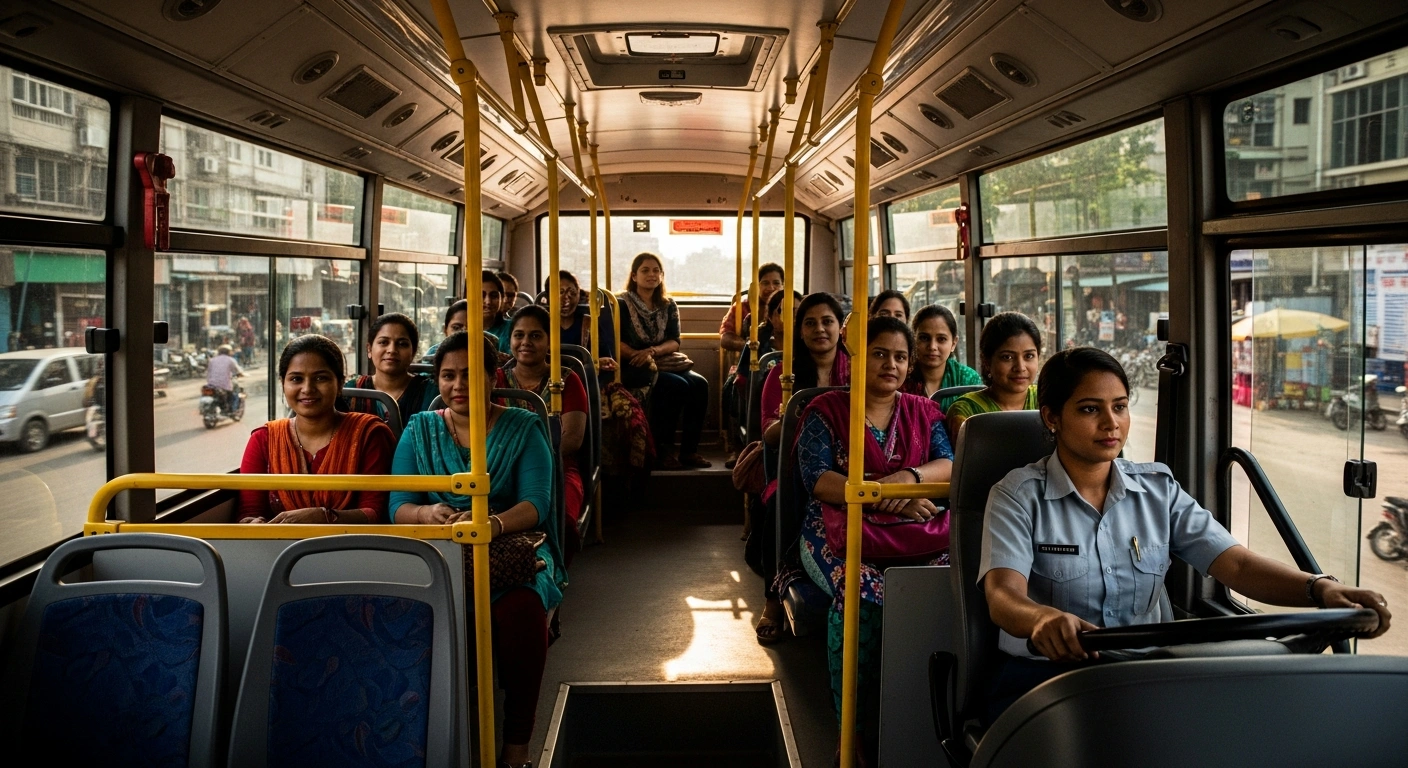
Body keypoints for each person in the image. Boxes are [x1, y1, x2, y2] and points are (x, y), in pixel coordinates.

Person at [979, 347, 1392, 722]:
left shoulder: (1157, 490)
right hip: (1044, 680)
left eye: (1120, 407)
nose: (1111, 423)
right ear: (1052, 417)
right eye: (1090, 410)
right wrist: (1042, 619)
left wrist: (1320, 590)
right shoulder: (1017, 495)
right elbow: (1003, 596)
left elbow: (1237, 564)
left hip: (1143, 675)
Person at [390, 331, 563, 768]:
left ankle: (518, 741)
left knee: (520, 613)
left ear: (492, 376)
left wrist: (492, 523)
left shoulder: (523, 426)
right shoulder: (419, 430)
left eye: (470, 375)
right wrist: (426, 516)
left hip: (509, 552)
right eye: (448, 376)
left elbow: (536, 503)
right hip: (439, 556)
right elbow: (399, 505)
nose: (458, 385)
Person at [790, 316, 953, 762]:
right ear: (855, 357)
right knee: (861, 594)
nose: (891, 364)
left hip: (917, 533)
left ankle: (928, 715)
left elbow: (949, 466)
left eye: (901, 357)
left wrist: (907, 478)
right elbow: (818, 480)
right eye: (879, 354)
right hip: (836, 531)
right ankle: (854, 728)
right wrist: (883, 497)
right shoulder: (824, 411)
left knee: (947, 588)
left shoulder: (923, 411)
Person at [753, 291, 852, 645]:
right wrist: (790, 418)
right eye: (809, 322)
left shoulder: (857, 367)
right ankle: (772, 600)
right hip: (795, 468)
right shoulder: (783, 374)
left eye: (827, 321)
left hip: (847, 464)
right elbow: (769, 433)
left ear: (841, 327)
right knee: (779, 503)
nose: (819, 329)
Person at [238, 334, 395, 524]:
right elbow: (250, 510)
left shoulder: (368, 435)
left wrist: (325, 517)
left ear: (340, 384)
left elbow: (376, 512)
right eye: (296, 379)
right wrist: (253, 523)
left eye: (320, 378)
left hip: (353, 546)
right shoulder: (264, 439)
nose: (307, 388)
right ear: (283, 384)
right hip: (276, 549)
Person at [497, 305, 589, 541]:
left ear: (550, 341)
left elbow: (573, 439)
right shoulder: (496, 380)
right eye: (519, 335)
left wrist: (534, 460)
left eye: (535, 336)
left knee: (563, 520)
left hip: (558, 467)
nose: (526, 342)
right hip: (502, 468)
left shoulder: (567, 380)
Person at [617, 252, 711, 470]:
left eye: (656, 270)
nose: (651, 275)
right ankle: (662, 450)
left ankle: (689, 451)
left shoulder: (668, 305)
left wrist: (652, 351)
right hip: (632, 365)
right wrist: (636, 355)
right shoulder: (621, 304)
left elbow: (674, 341)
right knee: (677, 386)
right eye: (645, 270)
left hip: (660, 359)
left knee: (700, 384)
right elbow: (615, 341)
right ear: (633, 276)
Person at [946, 311, 1041, 439]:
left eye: (1029, 356)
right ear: (986, 361)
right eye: (1007, 357)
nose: (1020, 367)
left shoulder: (1048, 401)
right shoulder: (966, 412)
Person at [344, 312, 437, 425]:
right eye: (383, 342)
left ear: (413, 352)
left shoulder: (431, 393)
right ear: (369, 349)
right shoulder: (352, 391)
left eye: (402, 344)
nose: (392, 350)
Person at [904, 305, 982, 410]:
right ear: (913, 339)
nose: (932, 347)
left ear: (953, 343)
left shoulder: (967, 379)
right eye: (924, 338)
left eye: (941, 339)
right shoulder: (902, 377)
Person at [553, 270, 618, 372]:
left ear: (578, 295)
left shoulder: (589, 323)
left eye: (572, 293)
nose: (566, 299)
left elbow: (604, 356)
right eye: (560, 293)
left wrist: (597, 363)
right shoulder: (541, 324)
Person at [720, 262, 785, 354]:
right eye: (765, 283)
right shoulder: (741, 307)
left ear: (783, 286)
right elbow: (725, 338)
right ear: (757, 286)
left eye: (776, 283)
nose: (771, 288)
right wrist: (749, 347)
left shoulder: (792, 307)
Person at [206, 344, 244, 414]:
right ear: (229, 352)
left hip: (211, 384)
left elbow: (209, 372)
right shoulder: (230, 360)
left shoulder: (212, 360)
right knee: (234, 392)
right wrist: (241, 374)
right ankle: (232, 409)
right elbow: (237, 370)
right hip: (224, 384)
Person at [482, 270, 513, 354]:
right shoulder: (461, 327)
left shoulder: (512, 328)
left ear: (502, 299)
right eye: (481, 295)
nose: (488, 301)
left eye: (494, 296)